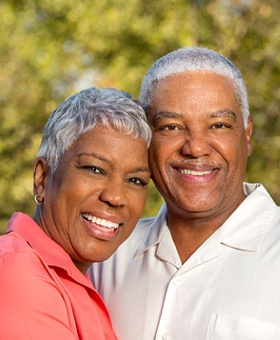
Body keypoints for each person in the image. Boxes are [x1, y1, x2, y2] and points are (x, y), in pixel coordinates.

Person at [90, 47, 280, 339]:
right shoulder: (105, 257)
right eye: (171, 126)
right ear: (145, 139)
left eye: (218, 125)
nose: (195, 147)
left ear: (246, 134)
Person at [0, 87, 151, 339]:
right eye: (94, 169)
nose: (115, 197)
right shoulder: (14, 271)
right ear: (42, 177)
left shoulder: (81, 280)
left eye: (135, 180)